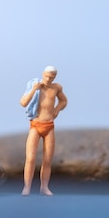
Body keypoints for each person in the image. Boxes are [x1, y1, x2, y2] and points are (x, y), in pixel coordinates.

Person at [20, 66, 68, 195]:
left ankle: (44, 187)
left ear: (55, 77)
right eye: (46, 76)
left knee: (47, 160)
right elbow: (23, 102)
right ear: (42, 74)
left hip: (49, 126)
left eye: (51, 77)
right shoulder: (34, 86)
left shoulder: (56, 87)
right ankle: (27, 187)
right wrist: (35, 89)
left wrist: (56, 110)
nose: (48, 79)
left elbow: (64, 101)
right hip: (35, 125)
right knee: (30, 158)